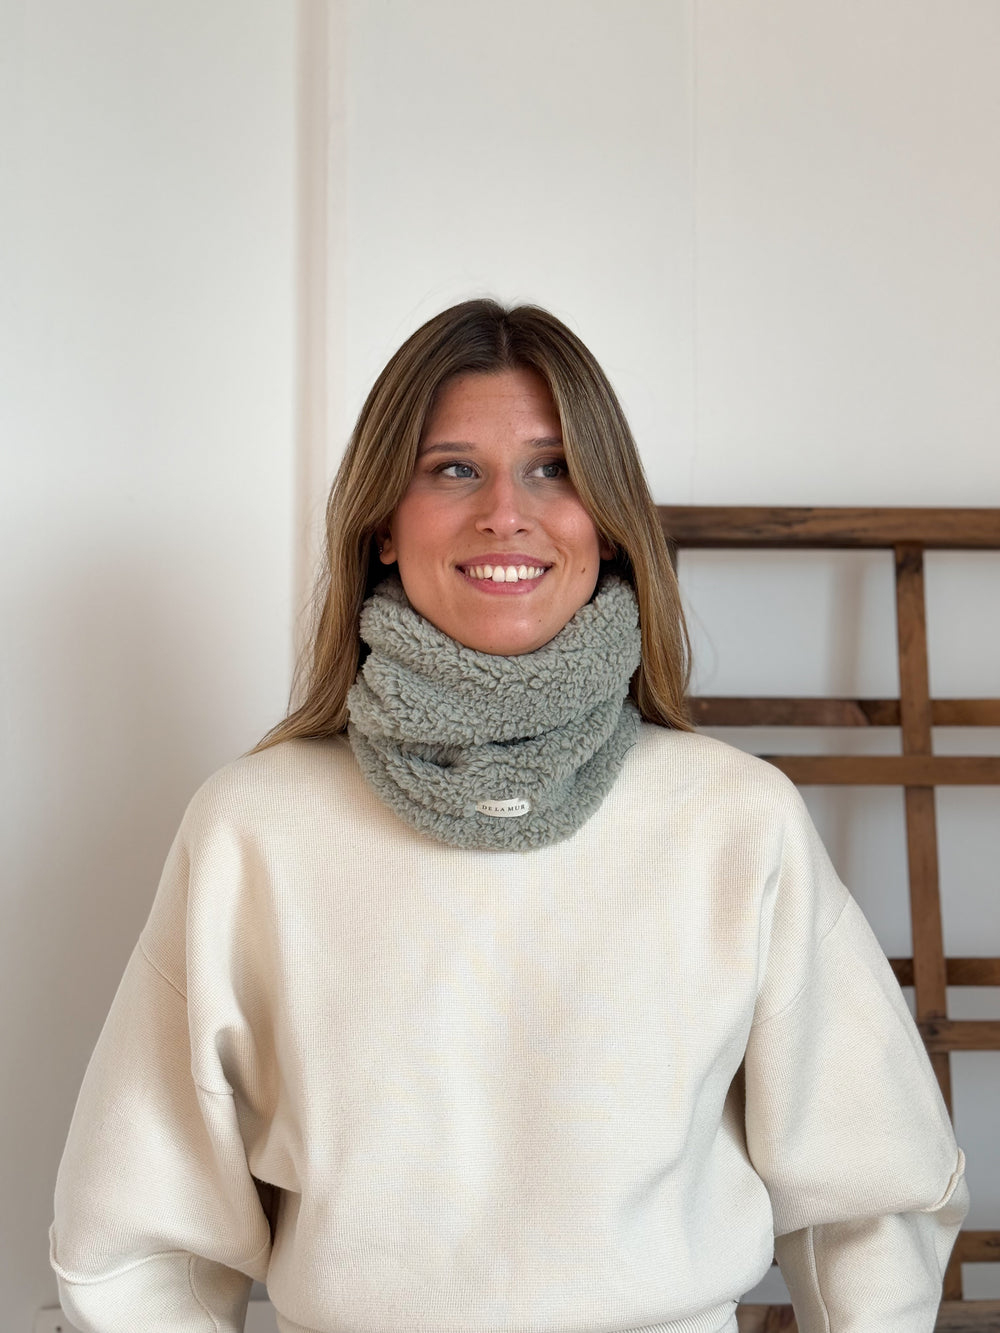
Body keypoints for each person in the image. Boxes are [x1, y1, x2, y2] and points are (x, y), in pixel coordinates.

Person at [51, 299, 968, 1333]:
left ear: (607, 524)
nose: (504, 512)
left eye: (553, 468)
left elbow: (872, 1197)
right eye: (452, 469)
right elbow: (142, 1233)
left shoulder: (736, 820)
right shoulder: (252, 829)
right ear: (383, 523)